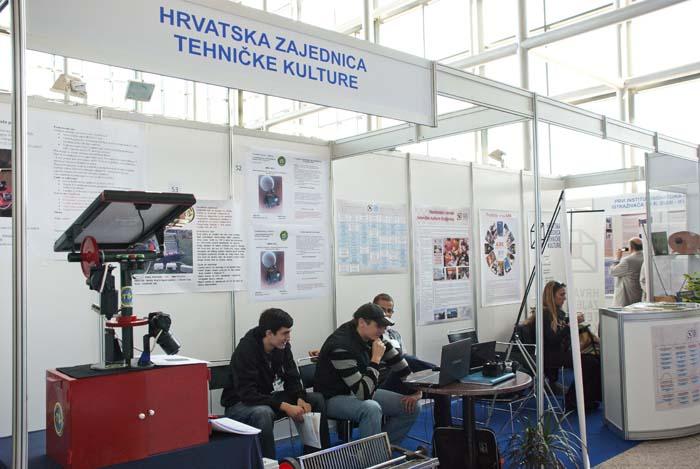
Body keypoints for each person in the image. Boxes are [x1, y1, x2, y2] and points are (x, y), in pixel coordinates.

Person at [221, 308, 329, 460]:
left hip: (267, 398)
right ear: (269, 333)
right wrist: (285, 406)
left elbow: (292, 376)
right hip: (240, 403)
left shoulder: (282, 346)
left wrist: (300, 397)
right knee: (263, 413)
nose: (288, 338)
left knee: (315, 399)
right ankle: (268, 463)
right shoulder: (246, 350)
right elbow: (248, 394)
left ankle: (315, 458)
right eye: (285, 333)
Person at [314, 303, 421, 445]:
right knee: (371, 408)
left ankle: (382, 449)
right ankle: (373, 456)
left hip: (359, 389)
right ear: (362, 323)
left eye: (384, 326)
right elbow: (363, 394)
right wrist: (376, 359)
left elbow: (400, 366)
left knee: (412, 407)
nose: (382, 330)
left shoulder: (373, 336)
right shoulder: (340, 346)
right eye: (379, 326)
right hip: (332, 397)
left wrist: (416, 390)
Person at [524, 281, 602, 412]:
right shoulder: (544, 315)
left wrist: (570, 322)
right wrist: (570, 326)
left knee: (595, 359)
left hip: (557, 352)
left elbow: (559, 332)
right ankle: (573, 400)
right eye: (561, 295)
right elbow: (553, 340)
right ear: (552, 296)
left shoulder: (556, 313)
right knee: (590, 362)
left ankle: (587, 398)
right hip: (548, 355)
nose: (564, 298)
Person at [610, 237, 644, 306]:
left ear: (631, 247)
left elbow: (612, 272)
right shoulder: (646, 258)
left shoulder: (627, 260)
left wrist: (617, 258)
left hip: (626, 299)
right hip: (640, 297)